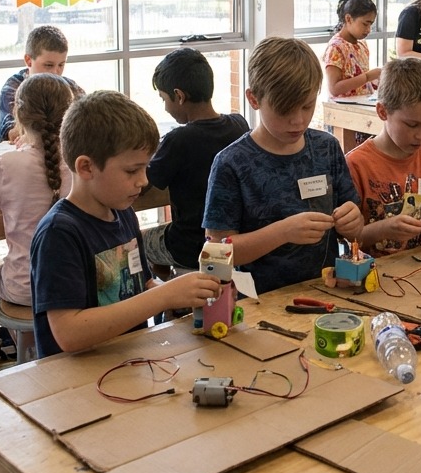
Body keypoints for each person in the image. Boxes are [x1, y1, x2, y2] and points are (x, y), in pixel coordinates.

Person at [30, 90, 221, 357]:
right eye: (132, 170)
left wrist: (181, 292)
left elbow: (140, 287)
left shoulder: (123, 213)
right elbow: (69, 334)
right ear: (86, 167)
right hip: (75, 380)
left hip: (127, 362)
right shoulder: (59, 233)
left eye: (145, 168)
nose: (143, 181)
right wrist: (163, 297)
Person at [204, 37, 363, 294]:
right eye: (284, 110)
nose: (298, 121)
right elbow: (217, 253)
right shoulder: (231, 163)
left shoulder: (326, 147)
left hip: (327, 290)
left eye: (307, 106)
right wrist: (282, 232)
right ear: (254, 99)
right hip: (259, 301)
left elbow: (355, 223)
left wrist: (353, 222)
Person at [0, 73, 76, 309]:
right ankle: (30, 343)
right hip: (78, 284)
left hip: (25, 286)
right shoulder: (80, 161)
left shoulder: (8, 164)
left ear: (18, 114)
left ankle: (16, 343)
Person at [140, 48, 249, 273]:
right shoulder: (240, 124)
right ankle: (174, 299)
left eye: (164, 99)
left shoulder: (179, 139)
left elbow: (142, 183)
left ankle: (170, 298)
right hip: (232, 241)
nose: (165, 107)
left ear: (179, 96)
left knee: (140, 241)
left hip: (188, 246)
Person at [346, 58, 421, 256]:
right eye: (412, 125)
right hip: (378, 274)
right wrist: (383, 229)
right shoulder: (356, 164)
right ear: (382, 111)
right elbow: (350, 241)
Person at [0, 25, 84, 144]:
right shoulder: (13, 88)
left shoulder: (71, 87)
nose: (55, 72)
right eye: (48, 65)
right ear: (28, 60)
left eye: (61, 65)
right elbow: (12, 133)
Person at [324, 0, 382, 99]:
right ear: (349, 19)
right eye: (365, 24)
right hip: (342, 111)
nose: (368, 30)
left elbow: (361, 84)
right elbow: (334, 89)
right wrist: (368, 76)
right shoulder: (336, 48)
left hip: (361, 106)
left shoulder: (362, 45)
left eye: (371, 25)